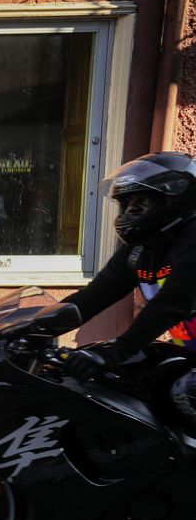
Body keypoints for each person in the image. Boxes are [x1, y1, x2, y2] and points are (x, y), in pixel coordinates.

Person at [59, 152, 196, 433]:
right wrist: (30, 327)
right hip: (190, 356)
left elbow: (174, 302)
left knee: (184, 394)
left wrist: (114, 353)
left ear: (174, 199)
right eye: (125, 204)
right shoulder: (140, 251)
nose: (127, 214)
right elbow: (90, 299)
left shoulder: (192, 238)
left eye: (139, 203)